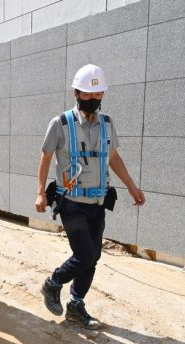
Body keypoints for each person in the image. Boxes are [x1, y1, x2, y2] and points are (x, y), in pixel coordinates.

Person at [35, 64, 145, 329]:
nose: (93, 100)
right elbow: (46, 157)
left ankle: (76, 304)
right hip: (71, 201)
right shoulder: (60, 123)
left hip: (97, 202)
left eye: (97, 95)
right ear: (76, 93)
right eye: (87, 95)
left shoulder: (107, 123)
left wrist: (131, 186)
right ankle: (53, 284)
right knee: (83, 254)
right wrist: (40, 193)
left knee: (94, 256)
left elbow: (113, 158)